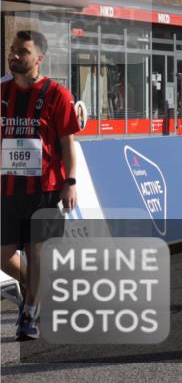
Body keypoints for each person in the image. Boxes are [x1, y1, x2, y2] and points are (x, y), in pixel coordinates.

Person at [1, 30, 81, 340]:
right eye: (12, 50)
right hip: (7, 189)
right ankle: (38, 288)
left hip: (45, 189)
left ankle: (30, 314)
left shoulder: (57, 94)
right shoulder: (2, 91)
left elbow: (67, 143)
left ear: (39, 58)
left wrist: (70, 181)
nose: (14, 55)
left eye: (22, 51)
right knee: (4, 255)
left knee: (38, 255)